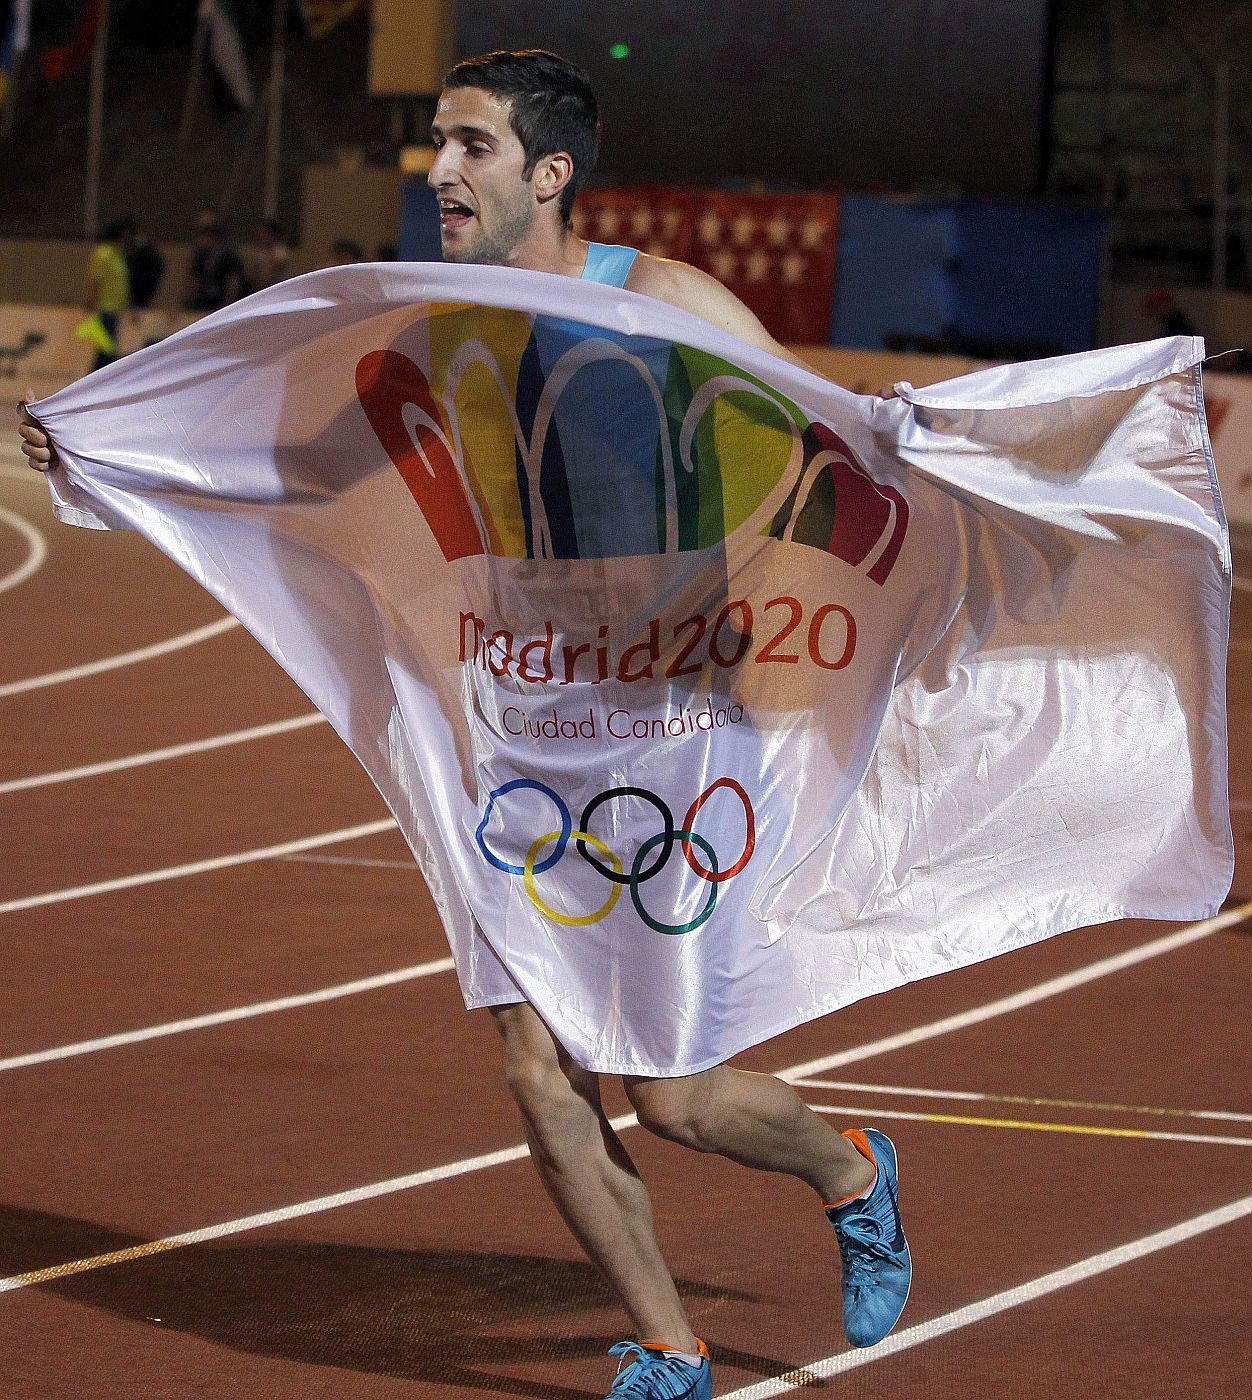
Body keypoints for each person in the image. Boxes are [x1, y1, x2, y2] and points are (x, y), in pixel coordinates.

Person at [20, 49, 909, 1400]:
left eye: (471, 146)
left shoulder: (662, 301)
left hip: (672, 729)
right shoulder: (439, 318)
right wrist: (119, 449)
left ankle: (852, 1170)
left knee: (677, 1097)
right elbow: (317, 462)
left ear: (549, 174)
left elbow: (829, 432)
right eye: (436, 143)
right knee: (534, 1062)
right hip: (519, 730)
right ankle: (669, 1347)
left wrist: (994, 431)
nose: (438, 170)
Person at [82, 218, 130, 370]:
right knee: (107, 352)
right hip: (104, 309)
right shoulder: (103, 254)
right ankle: (94, 384)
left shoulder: (118, 256)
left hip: (115, 310)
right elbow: (95, 280)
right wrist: (91, 303)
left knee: (107, 352)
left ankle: (95, 384)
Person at [182, 218, 248, 312]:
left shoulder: (229, 256)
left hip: (222, 298)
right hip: (206, 297)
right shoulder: (201, 256)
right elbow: (194, 279)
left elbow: (233, 282)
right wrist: (187, 298)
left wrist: (228, 304)